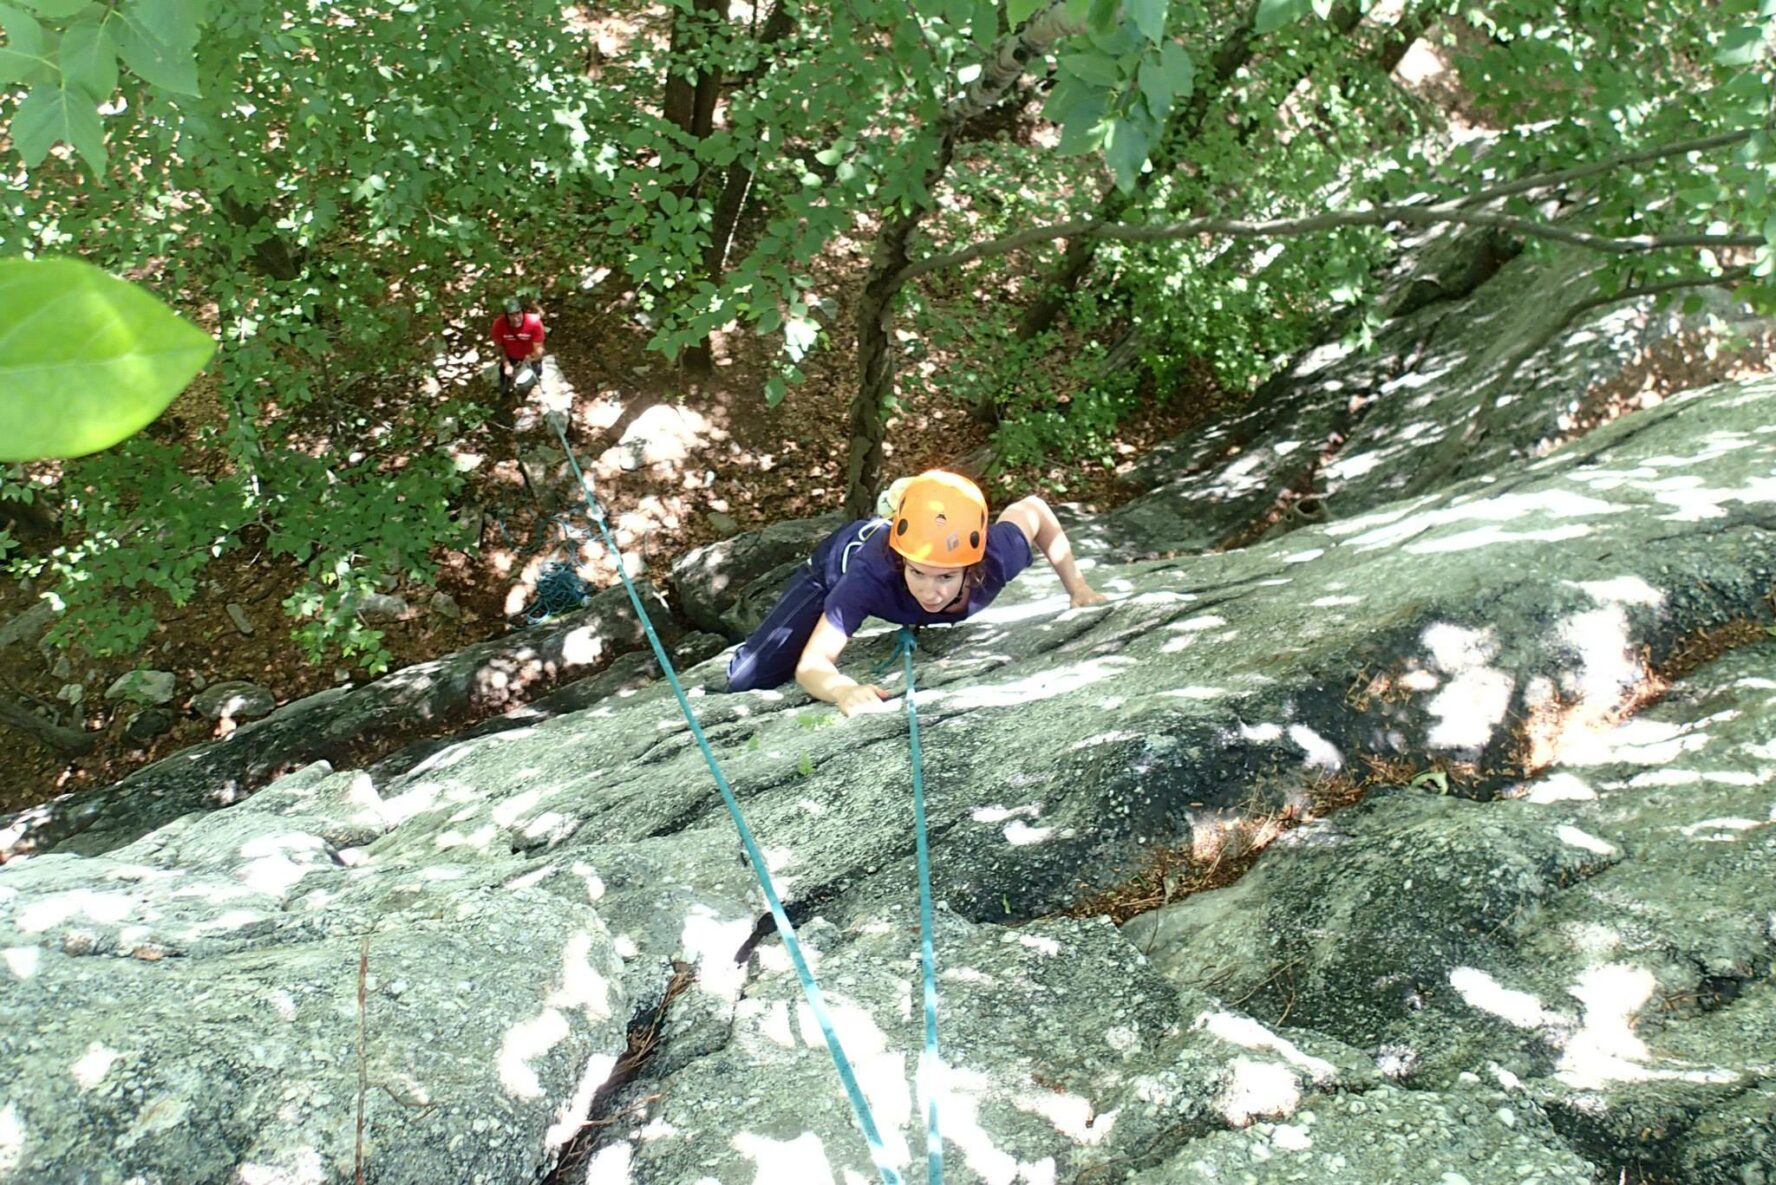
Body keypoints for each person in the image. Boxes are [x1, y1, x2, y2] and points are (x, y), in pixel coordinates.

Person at [726, 470, 1108, 715]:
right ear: (901, 563)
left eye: (946, 578)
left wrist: (1078, 589)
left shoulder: (995, 556)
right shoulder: (868, 577)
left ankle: (909, 510)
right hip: (836, 566)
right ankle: (890, 518)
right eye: (919, 573)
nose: (931, 592)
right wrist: (843, 690)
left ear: (971, 569)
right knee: (746, 678)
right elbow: (812, 666)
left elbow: (1035, 510)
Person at [491, 297, 546, 397]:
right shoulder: (499, 324)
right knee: (505, 381)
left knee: (528, 381)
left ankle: (524, 395)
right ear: (506, 316)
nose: (516, 318)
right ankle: (505, 394)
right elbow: (499, 347)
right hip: (510, 357)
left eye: (518, 313)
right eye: (511, 315)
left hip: (530, 358)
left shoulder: (534, 323)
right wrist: (507, 364)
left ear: (522, 312)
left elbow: (539, 349)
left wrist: (530, 358)